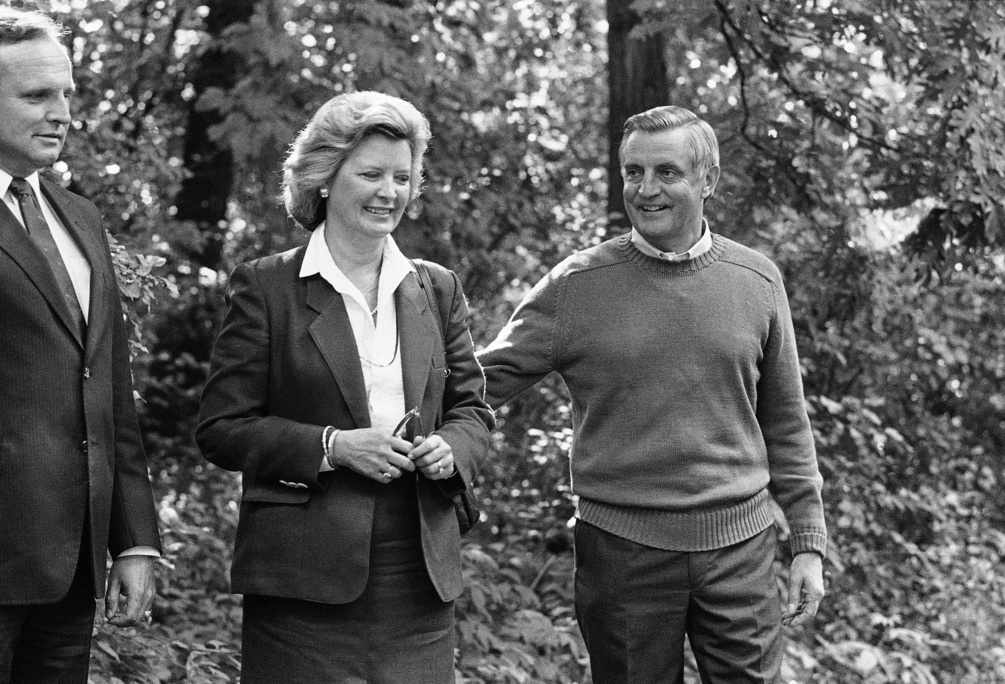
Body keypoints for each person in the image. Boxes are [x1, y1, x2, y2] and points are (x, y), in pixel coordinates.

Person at [478, 105, 828, 683]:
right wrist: (383, 399)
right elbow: (483, 381)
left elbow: (786, 424)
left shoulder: (757, 281)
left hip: (740, 550)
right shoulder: (578, 285)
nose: (646, 189)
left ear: (707, 180)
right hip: (621, 555)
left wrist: (809, 542)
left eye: (666, 172)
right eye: (633, 172)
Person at [195, 90, 494, 684]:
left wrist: (450, 450)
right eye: (372, 174)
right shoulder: (267, 287)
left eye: (403, 177)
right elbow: (221, 429)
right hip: (301, 583)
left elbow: (473, 411)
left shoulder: (436, 288)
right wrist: (332, 447)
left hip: (418, 580)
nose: (390, 192)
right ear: (325, 178)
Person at [0, 7, 162, 684]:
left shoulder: (80, 218)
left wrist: (135, 538)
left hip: (71, 565)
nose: (62, 112)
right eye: (36, 96)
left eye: (67, 93)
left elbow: (109, 390)